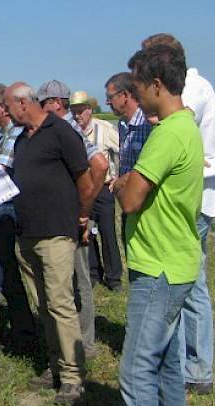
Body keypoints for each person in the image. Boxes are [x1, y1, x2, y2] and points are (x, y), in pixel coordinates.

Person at [142, 33, 215, 396]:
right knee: (188, 280)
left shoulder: (192, 88)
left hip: (195, 197)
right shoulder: (196, 84)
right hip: (193, 194)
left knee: (191, 283)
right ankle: (184, 361)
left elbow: (165, 122)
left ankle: (196, 368)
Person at [112, 45, 204, 406]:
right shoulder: (186, 125)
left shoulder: (166, 134)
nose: (134, 94)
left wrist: (122, 183)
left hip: (158, 268)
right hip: (176, 261)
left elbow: (133, 198)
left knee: (136, 371)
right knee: (166, 363)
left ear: (155, 85)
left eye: (136, 86)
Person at [4, 82, 93, 405]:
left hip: (56, 232)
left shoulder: (61, 132)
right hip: (27, 234)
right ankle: (55, 364)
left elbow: (86, 177)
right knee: (43, 305)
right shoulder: (22, 139)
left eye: (8, 105)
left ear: (24, 103)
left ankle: (72, 376)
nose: (5, 112)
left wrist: (83, 217)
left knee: (60, 304)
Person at [37, 80, 109, 361]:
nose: (41, 109)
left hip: (72, 218)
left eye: (43, 103)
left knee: (79, 279)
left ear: (56, 103)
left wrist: (84, 209)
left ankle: (85, 343)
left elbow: (100, 164)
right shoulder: (65, 128)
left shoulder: (68, 129)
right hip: (65, 216)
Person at [0, 82, 37, 353]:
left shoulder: (13, 134)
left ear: (3, 106)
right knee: (2, 270)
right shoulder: (0, 135)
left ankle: (25, 334)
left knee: (8, 272)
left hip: (7, 208)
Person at [70, 90, 123, 291]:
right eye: (74, 111)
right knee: (86, 231)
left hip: (104, 189)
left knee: (108, 232)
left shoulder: (105, 129)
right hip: (83, 189)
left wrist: (118, 176)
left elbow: (120, 151)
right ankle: (93, 272)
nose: (77, 116)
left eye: (81, 111)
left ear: (89, 110)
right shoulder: (71, 131)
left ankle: (114, 277)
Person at [105, 71, 154, 258]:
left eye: (110, 97)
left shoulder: (148, 123)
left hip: (146, 203)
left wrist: (122, 182)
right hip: (127, 200)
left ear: (125, 95)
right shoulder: (122, 125)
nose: (108, 103)